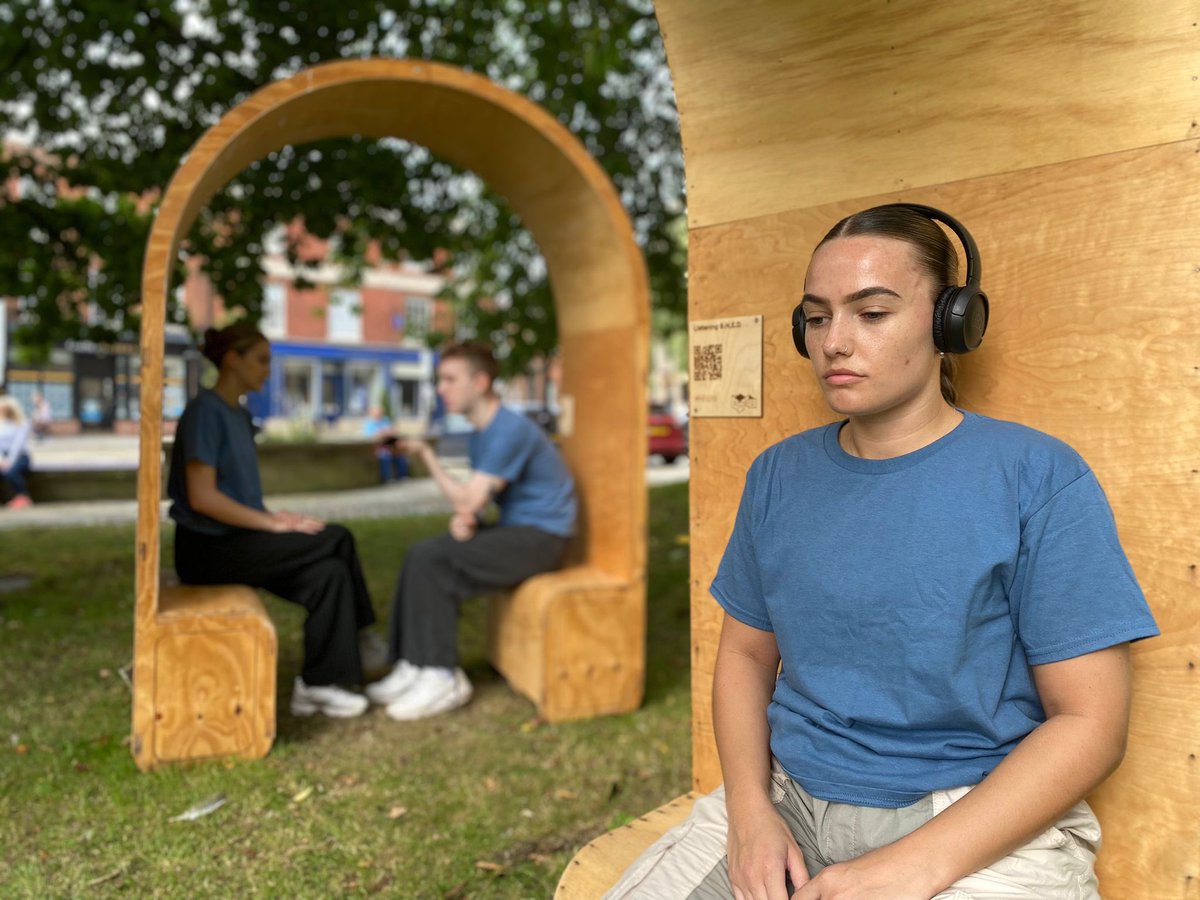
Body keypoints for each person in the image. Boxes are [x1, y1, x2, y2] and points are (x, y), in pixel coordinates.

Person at [606, 205, 1159, 899]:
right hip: (787, 797)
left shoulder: (1037, 476)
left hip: (974, 816)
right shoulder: (777, 475)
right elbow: (745, 657)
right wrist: (749, 815)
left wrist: (913, 866)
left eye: (871, 313)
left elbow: (1091, 723)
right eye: (816, 317)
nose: (834, 342)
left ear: (950, 322)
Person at [167, 322, 377, 718]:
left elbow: (235, 493)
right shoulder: (204, 412)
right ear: (233, 360)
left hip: (238, 540)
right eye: (261, 360)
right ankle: (364, 635)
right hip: (206, 550)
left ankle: (317, 686)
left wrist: (272, 516)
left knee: (330, 574)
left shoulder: (239, 416)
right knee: (337, 537)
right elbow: (202, 497)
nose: (268, 369)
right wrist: (272, 525)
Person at [367, 340, 577, 720]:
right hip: (520, 529)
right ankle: (413, 663)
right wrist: (471, 519)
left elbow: (468, 499)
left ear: (480, 382)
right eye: (440, 380)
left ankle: (441, 676)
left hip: (544, 539)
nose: (441, 388)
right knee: (421, 555)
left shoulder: (508, 429)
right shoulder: (483, 433)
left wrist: (427, 456)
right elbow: (482, 500)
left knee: (434, 558)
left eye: (450, 379)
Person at [0, 395, 33, 509]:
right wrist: (1, 459)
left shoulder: (22, 424)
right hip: (2, 457)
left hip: (20, 456)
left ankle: (23, 496)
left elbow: (17, 445)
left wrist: (9, 461)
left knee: (11, 472)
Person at [363, 405, 409, 483]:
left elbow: (393, 431)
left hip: (390, 444)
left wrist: (387, 432)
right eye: (377, 413)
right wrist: (383, 433)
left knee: (400, 455)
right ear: (372, 413)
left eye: (380, 412)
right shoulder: (369, 423)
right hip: (378, 446)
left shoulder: (385, 420)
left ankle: (403, 476)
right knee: (385, 456)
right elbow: (369, 437)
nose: (379, 414)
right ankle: (386, 479)